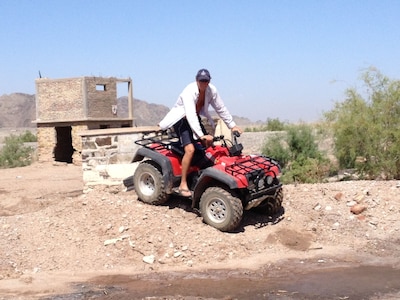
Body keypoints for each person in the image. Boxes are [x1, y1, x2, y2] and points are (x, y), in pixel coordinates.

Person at [158, 69, 242, 197]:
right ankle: (183, 183)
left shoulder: (211, 90)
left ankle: (204, 176)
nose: (204, 83)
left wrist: (232, 125)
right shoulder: (189, 91)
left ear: (209, 81)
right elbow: (190, 114)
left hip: (195, 119)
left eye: (206, 81)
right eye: (201, 80)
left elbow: (220, 108)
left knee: (209, 145)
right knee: (190, 149)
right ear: (197, 80)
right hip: (182, 120)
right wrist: (201, 135)